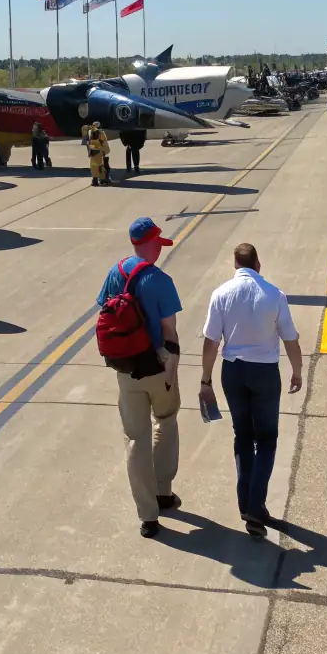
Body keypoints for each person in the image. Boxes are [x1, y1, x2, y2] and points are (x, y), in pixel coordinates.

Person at [201, 243, 302, 537]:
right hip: (264, 373)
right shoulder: (274, 294)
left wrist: (205, 380)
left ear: (235, 265)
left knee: (242, 436)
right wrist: (296, 370)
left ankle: (245, 502)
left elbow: (210, 342)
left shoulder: (221, 294)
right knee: (267, 438)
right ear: (259, 264)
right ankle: (256, 505)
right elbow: (290, 338)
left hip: (232, 371)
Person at [96, 218, 182, 537]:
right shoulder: (160, 280)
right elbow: (169, 330)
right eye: (158, 242)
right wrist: (171, 367)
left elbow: (105, 311)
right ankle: (163, 490)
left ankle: (147, 515)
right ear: (149, 243)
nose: (160, 248)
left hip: (126, 369)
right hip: (157, 367)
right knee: (166, 419)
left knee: (136, 438)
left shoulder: (114, 272)